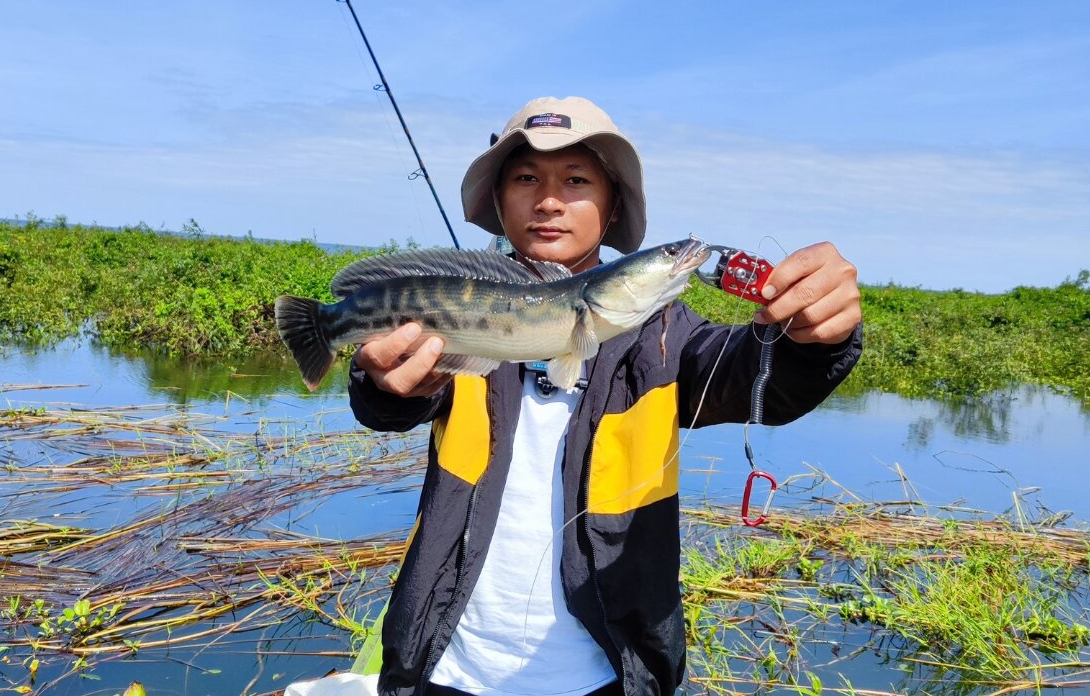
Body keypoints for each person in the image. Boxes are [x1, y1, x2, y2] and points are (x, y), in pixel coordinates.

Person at [349, 96, 862, 696]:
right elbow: (388, 405)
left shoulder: (670, 337)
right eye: (525, 178)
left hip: (610, 675)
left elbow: (761, 382)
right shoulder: (464, 316)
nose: (548, 200)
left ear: (612, 204)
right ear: (498, 201)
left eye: (576, 180)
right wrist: (384, 383)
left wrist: (817, 338)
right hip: (446, 666)